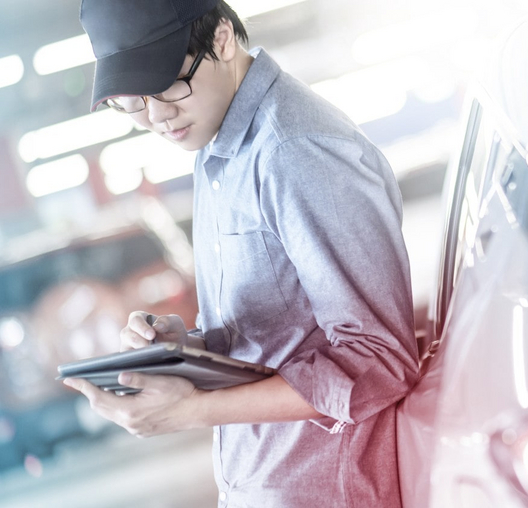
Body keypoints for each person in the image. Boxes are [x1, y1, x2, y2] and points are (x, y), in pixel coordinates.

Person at [61, 1, 420, 506]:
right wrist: (187, 346)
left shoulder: (294, 150)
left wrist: (189, 411)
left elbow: (380, 361)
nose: (157, 115)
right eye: (133, 101)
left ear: (223, 39)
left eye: (166, 85)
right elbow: (277, 335)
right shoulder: (214, 143)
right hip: (263, 481)